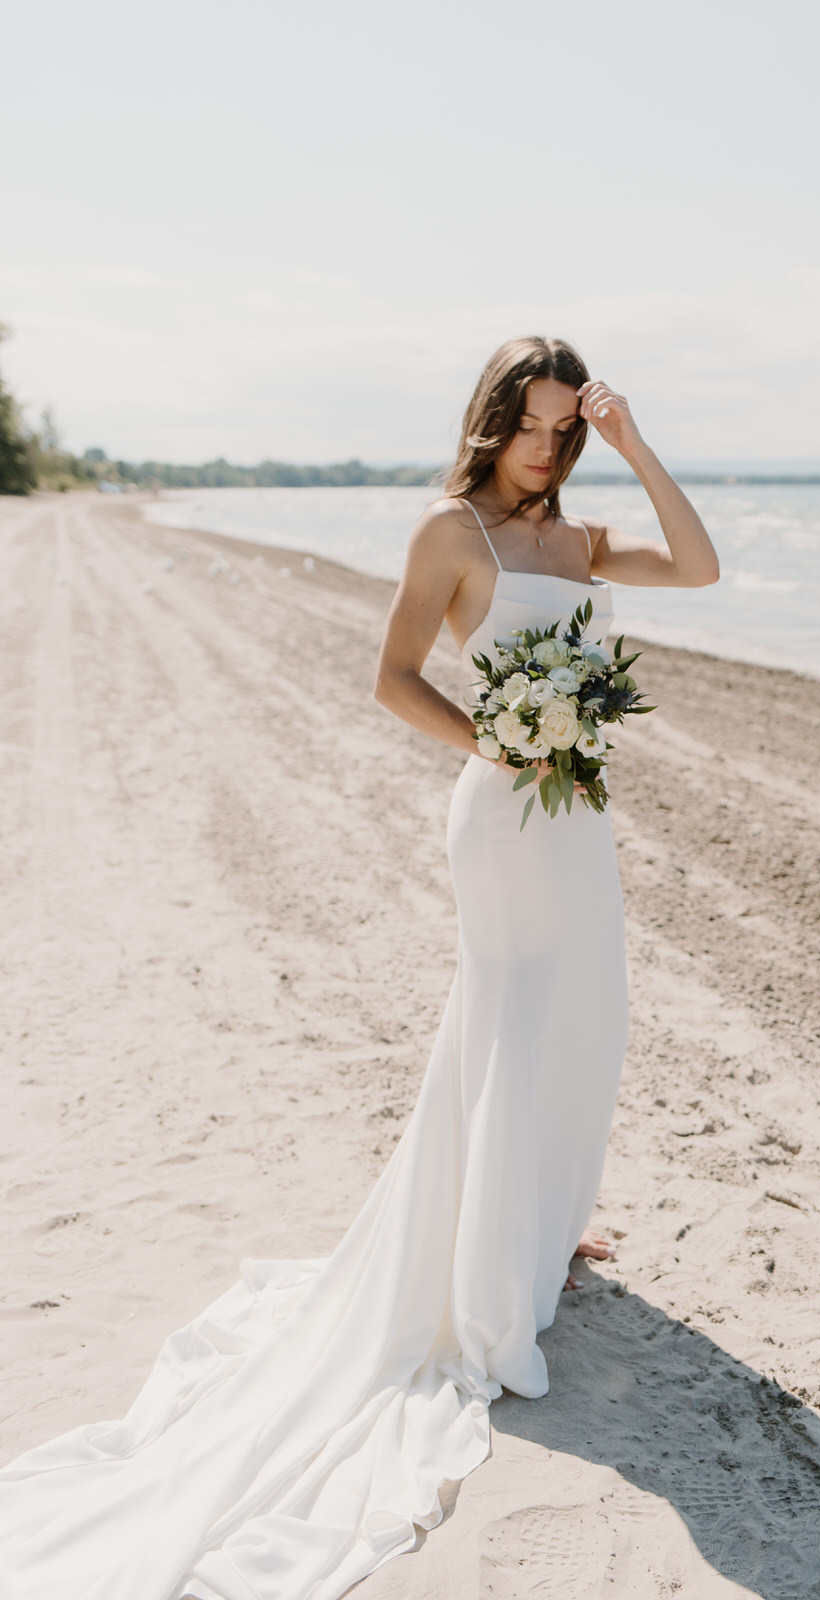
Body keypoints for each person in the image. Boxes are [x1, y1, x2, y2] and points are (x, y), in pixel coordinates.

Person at [0, 336, 718, 1600]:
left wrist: (638, 445)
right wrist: (496, 744)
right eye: (534, 425)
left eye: (568, 429)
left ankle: (540, 1219)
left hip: (581, 818)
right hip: (505, 814)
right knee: (509, 1012)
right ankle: (495, 1255)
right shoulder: (452, 533)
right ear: (492, 420)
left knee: (583, 1018)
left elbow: (701, 566)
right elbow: (390, 678)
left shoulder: (583, 537)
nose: (548, 449)